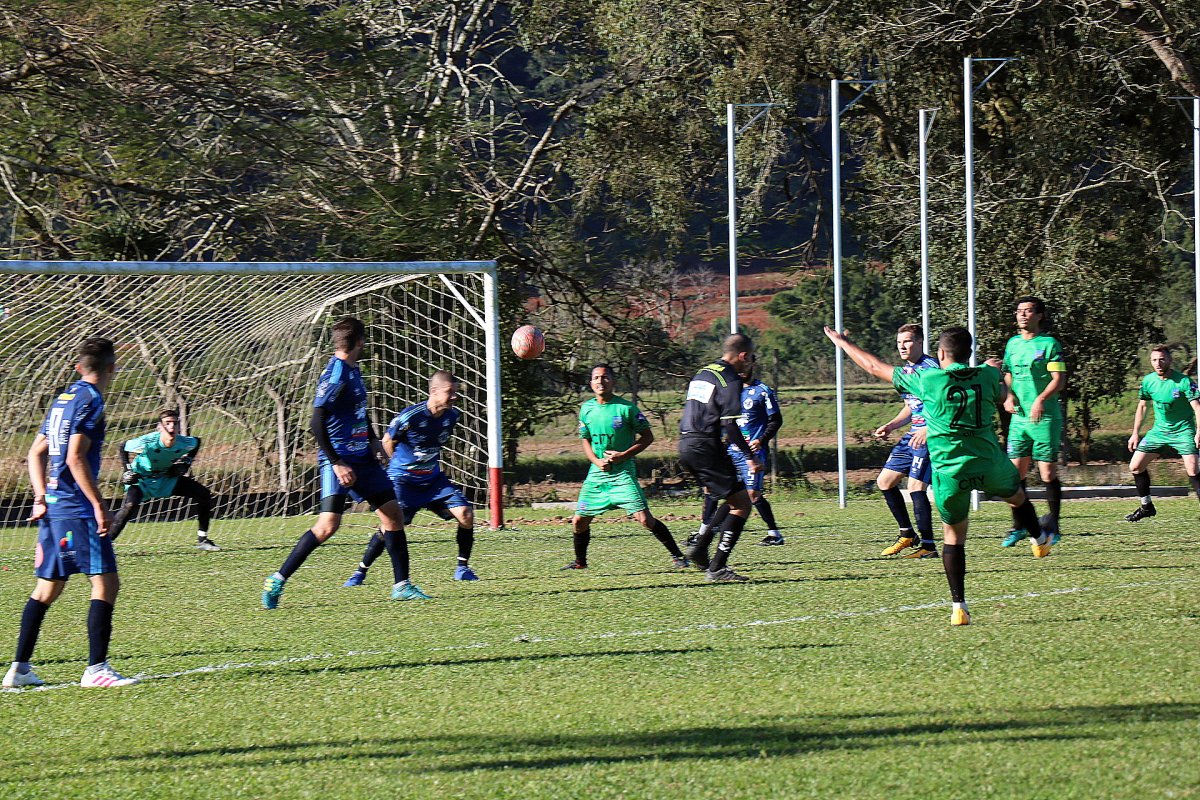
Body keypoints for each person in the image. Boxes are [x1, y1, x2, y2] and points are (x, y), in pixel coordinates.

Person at [825, 325, 1053, 626]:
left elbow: (872, 366)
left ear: (941, 353)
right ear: (968, 352)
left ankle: (959, 606)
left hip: (950, 471)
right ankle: (1039, 537)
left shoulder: (927, 379)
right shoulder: (985, 375)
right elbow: (1000, 392)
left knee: (954, 538)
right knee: (1017, 497)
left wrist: (843, 342)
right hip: (989, 464)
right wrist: (995, 372)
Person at [261, 317, 426, 609]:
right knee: (327, 526)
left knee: (393, 516)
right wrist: (336, 462)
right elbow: (315, 422)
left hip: (362, 458)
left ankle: (401, 585)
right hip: (340, 461)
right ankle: (277, 580)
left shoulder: (353, 370)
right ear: (360, 341)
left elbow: (358, 412)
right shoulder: (336, 374)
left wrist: (374, 439)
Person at [4, 337, 139, 688]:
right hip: (77, 508)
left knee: (47, 589)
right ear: (112, 367)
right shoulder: (92, 402)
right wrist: (99, 505)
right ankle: (96, 669)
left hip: (53, 505)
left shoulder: (62, 400)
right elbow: (75, 457)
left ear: (79, 366)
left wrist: (39, 496)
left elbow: (36, 453)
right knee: (106, 582)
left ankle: (19, 669)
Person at [343, 371, 480, 586]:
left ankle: (462, 568)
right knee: (391, 525)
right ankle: (361, 571)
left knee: (465, 514)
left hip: (433, 481)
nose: (454, 397)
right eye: (449, 392)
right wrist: (387, 473)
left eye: (455, 392)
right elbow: (387, 441)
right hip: (403, 481)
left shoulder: (452, 417)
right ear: (433, 391)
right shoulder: (410, 416)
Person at [562, 364, 687, 570]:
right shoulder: (587, 409)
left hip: (622, 474)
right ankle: (580, 562)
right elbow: (585, 439)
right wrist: (596, 461)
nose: (600, 381)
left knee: (645, 520)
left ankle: (678, 557)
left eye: (605, 377)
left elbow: (648, 437)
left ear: (613, 381)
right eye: (596, 378)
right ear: (590, 382)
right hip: (597, 475)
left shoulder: (626, 408)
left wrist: (624, 455)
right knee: (578, 521)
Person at [679, 333, 762, 582]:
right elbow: (730, 426)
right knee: (743, 504)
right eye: (752, 359)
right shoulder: (730, 379)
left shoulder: (703, 372)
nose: (751, 364)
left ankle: (701, 548)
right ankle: (717, 568)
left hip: (686, 444)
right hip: (707, 444)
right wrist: (750, 457)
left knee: (732, 497)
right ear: (743, 356)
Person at [1001, 296, 1067, 547]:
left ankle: (1054, 524)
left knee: (1047, 473)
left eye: (1028, 311)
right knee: (1014, 475)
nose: (1023, 315)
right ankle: (1018, 526)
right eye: (1019, 311)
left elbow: (1058, 379)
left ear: (1040, 316)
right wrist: (1008, 397)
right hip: (1019, 418)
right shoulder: (1013, 344)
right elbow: (1007, 374)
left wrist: (1040, 399)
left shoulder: (1049, 344)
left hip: (1045, 417)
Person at [108, 409, 217, 550]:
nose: (171, 426)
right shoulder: (148, 441)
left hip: (166, 479)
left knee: (203, 494)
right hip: (141, 480)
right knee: (129, 505)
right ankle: (106, 545)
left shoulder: (184, 442)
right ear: (160, 427)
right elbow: (123, 447)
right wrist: (127, 471)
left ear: (179, 426)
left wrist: (185, 464)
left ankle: (203, 540)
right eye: (167, 423)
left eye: (175, 423)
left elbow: (197, 442)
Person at [876, 324, 941, 559]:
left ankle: (929, 545)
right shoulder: (906, 371)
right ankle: (907, 534)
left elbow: (941, 404)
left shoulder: (932, 368)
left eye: (907, 341)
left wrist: (928, 429)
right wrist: (891, 426)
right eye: (899, 342)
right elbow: (910, 406)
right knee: (885, 481)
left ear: (921, 342)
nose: (902, 346)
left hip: (929, 437)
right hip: (911, 435)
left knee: (915, 487)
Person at [1124, 345, 1200, 520]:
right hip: (1159, 431)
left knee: (1193, 470)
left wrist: (1198, 431)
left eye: (1161, 359)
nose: (1158, 363)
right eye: (1154, 360)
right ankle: (1146, 507)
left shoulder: (1184, 382)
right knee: (1135, 466)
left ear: (1169, 360)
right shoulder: (1148, 381)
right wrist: (1135, 432)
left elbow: (1197, 408)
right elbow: (1142, 406)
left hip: (1183, 430)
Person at [733, 360, 785, 546]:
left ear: (752, 365)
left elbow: (776, 420)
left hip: (754, 453)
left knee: (753, 494)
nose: (741, 371)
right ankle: (706, 530)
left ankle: (774, 533)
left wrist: (761, 440)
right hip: (731, 451)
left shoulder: (763, 391)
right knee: (719, 491)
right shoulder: (730, 391)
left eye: (745, 366)